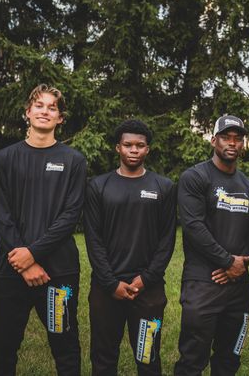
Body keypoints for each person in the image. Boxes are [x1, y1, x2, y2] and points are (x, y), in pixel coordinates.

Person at [0, 84, 86, 375]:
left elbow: (70, 215)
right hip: (10, 269)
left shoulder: (74, 161)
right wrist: (24, 262)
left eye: (52, 107)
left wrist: (33, 254)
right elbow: (0, 214)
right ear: (27, 113)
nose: (45, 111)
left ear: (60, 118)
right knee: (2, 347)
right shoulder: (4, 159)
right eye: (39, 105)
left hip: (58, 272)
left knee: (66, 346)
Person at [83, 120, 177, 375]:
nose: (133, 150)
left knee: (148, 356)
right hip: (106, 289)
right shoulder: (98, 186)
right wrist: (110, 282)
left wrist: (146, 279)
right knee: (103, 357)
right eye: (128, 145)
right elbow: (93, 239)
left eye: (140, 145)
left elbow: (167, 240)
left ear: (148, 149)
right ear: (117, 148)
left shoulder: (164, 187)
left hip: (148, 290)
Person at [174, 115, 249, 376]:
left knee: (229, 358)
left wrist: (242, 262)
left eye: (238, 138)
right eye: (226, 137)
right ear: (213, 140)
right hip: (203, 282)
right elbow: (193, 226)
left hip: (238, 286)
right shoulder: (195, 177)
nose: (232, 143)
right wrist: (227, 261)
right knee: (192, 358)